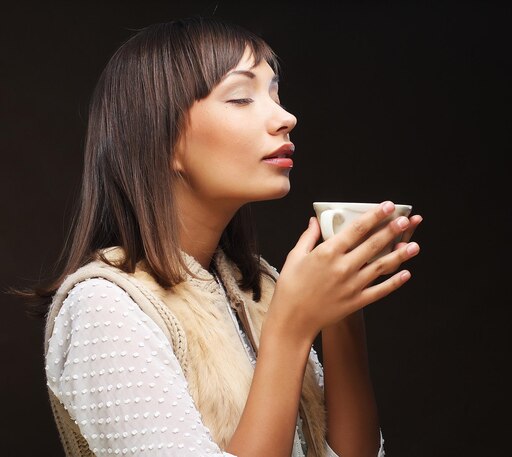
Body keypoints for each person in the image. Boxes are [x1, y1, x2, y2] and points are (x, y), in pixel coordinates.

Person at [28, 15, 422, 457]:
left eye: (275, 93)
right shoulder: (104, 308)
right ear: (164, 139)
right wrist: (291, 331)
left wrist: (342, 306)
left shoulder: (256, 288)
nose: (286, 117)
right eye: (241, 98)